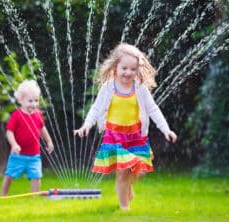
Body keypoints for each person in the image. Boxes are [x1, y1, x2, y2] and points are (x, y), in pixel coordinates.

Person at [74, 43, 177, 210]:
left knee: (140, 170)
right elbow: (96, 108)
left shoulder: (140, 88)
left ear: (138, 70)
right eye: (124, 68)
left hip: (136, 136)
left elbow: (153, 109)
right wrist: (86, 125)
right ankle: (124, 207)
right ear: (115, 67)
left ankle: (126, 186)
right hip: (115, 136)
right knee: (122, 172)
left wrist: (166, 129)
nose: (128, 72)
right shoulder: (108, 87)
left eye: (133, 69)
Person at [1, 80, 54, 196]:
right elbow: (9, 132)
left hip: (34, 155)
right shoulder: (17, 115)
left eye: (36, 100)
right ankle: (3, 195)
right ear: (20, 100)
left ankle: (34, 197)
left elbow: (42, 129)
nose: (34, 104)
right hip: (18, 155)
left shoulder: (38, 114)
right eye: (30, 101)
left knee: (36, 176)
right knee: (10, 174)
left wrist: (49, 141)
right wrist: (14, 144)